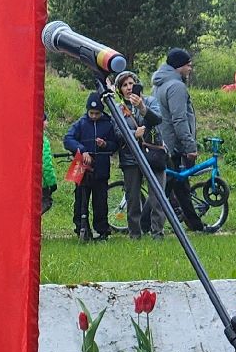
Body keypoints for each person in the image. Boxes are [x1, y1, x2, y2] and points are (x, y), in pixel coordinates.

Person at [152, 47, 205, 231]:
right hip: (172, 146)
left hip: (164, 142)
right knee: (165, 189)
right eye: (188, 65)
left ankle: (195, 224)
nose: (190, 68)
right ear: (178, 67)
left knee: (181, 187)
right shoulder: (176, 87)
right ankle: (144, 224)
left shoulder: (160, 83)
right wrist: (190, 145)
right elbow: (179, 119)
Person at [112, 71, 164, 240]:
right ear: (120, 89)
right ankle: (135, 234)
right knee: (133, 198)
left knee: (157, 196)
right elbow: (118, 132)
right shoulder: (118, 108)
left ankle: (158, 233)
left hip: (153, 155)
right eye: (124, 85)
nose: (129, 88)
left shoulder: (150, 101)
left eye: (131, 84)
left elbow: (157, 119)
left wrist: (142, 107)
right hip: (131, 157)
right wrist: (134, 133)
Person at [62, 90, 119, 242]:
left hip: (101, 170)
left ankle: (102, 231)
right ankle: (81, 228)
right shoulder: (80, 123)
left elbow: (115, 145)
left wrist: (105, 144)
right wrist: (82, 150)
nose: (93, 116)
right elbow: (68, 139)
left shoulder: (108, 124)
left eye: (96, 113)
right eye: (91, 113)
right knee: (81, 200)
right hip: (82, 170)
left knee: (100, 202)